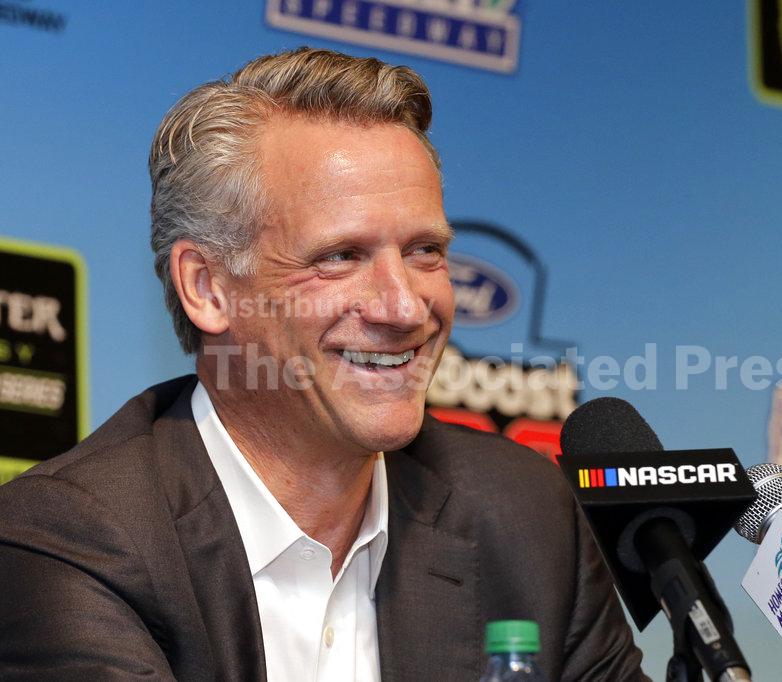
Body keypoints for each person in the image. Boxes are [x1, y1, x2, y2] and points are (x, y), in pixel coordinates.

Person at [0, 48, 648, 681]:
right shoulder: (69, 540)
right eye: (340, 257)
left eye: (424, 250)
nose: (404, 307)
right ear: (207, 287)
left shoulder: (525, 517)